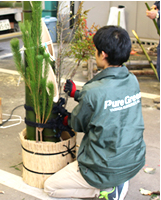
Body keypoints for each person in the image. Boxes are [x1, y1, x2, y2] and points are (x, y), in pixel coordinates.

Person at [44, 25, 146, 200]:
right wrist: (78, 94)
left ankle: (105, 189)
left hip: (104, 167)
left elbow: (77, 123)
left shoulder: (94, 91)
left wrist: (65, 118)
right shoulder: (132, 80)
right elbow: (110, 99)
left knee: (50, 187)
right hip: (134, 160)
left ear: (103, 54)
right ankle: (120, 180)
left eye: (96, 50)